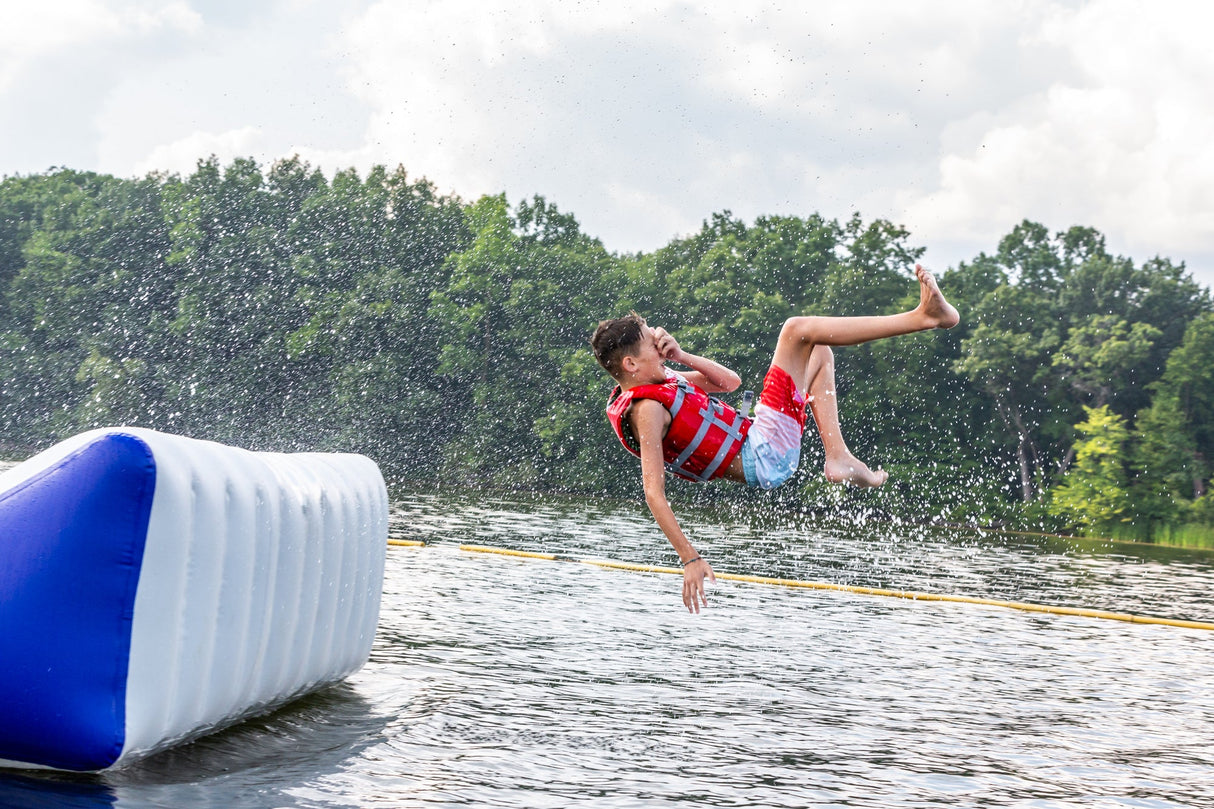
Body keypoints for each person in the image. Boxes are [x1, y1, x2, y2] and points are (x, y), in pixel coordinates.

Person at [590, 264, 960, 613]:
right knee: (796, 330)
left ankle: (839, 457)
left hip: (762, 444)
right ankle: (924, 317)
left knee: (817, 350)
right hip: (762, 454)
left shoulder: (662, 383)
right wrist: (690, 558)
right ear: (631, 365)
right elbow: (653, 493)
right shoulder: (647, 410)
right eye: (652, 345)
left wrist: (682, 355)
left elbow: (729, 383)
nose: (660, 346)